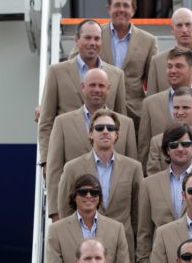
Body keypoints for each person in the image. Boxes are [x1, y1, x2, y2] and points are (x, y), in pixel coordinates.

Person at [57, 109, 143, 263]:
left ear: (117, 135)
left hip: (120, 251)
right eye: (99, 128)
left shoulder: (133, 168)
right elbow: (65, 209)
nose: (105, 132)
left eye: (110, 128)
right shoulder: (72, 168)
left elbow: (138, 213)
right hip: (83, 251)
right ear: (90, 134)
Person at [46, 68, 137, 221]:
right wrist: (55, 212)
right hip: (79, 220)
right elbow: (55, 170)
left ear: (109, 89)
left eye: (101, 86)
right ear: (83, 87)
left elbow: (132, 172)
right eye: (92, 85)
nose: (97, 90)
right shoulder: (62, 123)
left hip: (119, 225)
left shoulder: (126, 124)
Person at [38, 19, 126, 168]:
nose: (92, 42)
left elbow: (120, 120)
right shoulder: (56, 72)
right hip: (67, 158)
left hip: (106, 160)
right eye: (87, 38)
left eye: (97, 38)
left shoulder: (116, 75)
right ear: (77, 40)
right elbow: (46, 121)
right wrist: (47, 160)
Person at [46, 174, 131, 263]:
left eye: (94, 192)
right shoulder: (56, 230)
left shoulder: (117, 229)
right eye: (83, 192)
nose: (89, 195)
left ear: (99, 197)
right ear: (74, 196)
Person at [100, 0, 158, 130]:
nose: (121, 9)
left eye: (126, 6)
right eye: (117, 5)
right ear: (109, 8)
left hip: (135, 117)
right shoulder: (94, 35)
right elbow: (72, 70)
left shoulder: (148, 41)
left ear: (133, 10)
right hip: (98, 114)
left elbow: (154, 82)